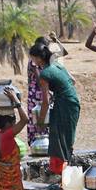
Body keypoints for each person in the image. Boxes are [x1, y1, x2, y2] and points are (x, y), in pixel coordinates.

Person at [30, 42, 80, 176]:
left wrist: (40, 122)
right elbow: (72, 81)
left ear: (38, 58)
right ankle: (65, 168)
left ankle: (62, 171)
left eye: (32, 58)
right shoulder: (56, 64)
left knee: (59, 136)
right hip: (72, 100)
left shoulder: (45, 73)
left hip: (65, 103)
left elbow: (45, 102)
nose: (32, 61)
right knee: (66, 135)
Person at [26, 34, 66, 145]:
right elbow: (40, 79)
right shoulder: (34, 61)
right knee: (37, 117)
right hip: (37, 93)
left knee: (46, 117)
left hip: (45, 90)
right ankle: (38, 144)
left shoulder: (47, 59)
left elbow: (64, 52)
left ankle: (47, 143)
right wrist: (48, 90)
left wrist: (56, 40)